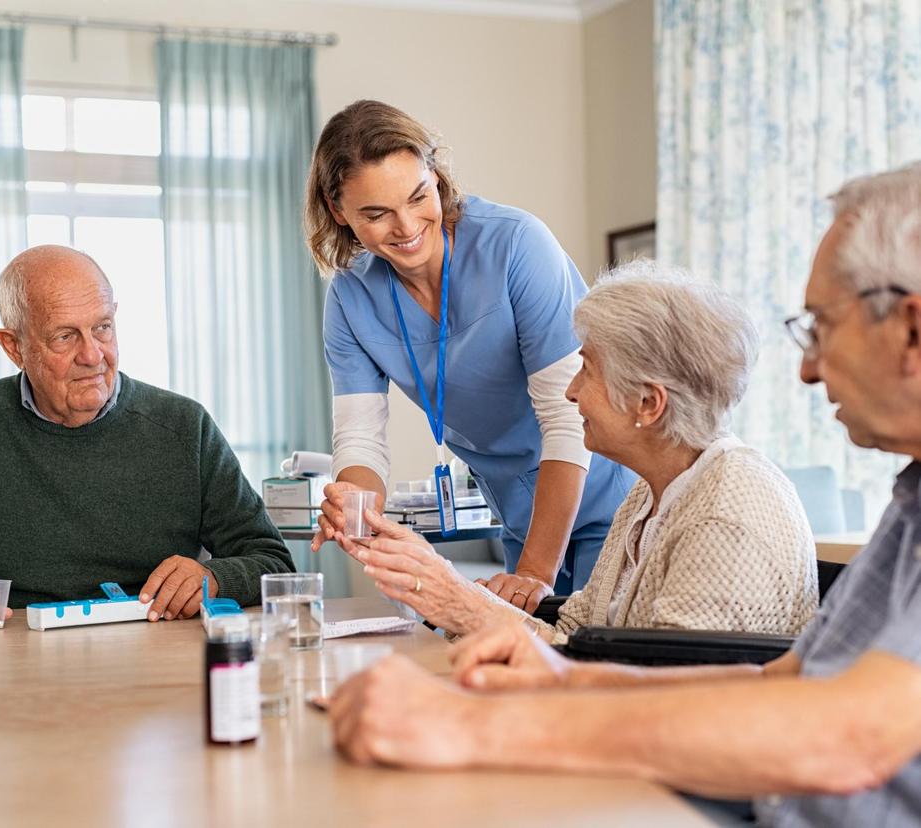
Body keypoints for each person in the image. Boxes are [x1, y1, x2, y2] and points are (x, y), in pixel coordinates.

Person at [330, 164, 921, 826]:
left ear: (911, 330)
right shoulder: (903, 505)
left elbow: (845, 734)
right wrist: (563, 678)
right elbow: (783, 679)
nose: (808, 367)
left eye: (818, 326)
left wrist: (472, 725)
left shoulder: (733, 502)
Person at [337, 263, 818, 639]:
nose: (571, 392)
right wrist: (448, 593)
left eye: (586, 370)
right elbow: (574, 636)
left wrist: (461, 600)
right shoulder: (652, 497)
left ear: (647, 403)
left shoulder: (723, 517)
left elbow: (660, 698)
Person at [306, 99, 636, 606]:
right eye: (376, 214)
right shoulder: (351, 298)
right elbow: (360, 441)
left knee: (596, 664)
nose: (407, 225)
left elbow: (567, 420)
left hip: (609, 495)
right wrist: (354, 502)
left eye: (419, 196)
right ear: (338, 212)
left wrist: (534, 575)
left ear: (436, 176)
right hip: (520, 514)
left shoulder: (517, 246)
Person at [0, 245, 293, 630]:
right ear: (13, 346)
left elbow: (272, 562)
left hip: (151, 652)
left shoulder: (184, 426)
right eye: (65, 336)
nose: (92, 355)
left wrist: (215, 578)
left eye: (102, 328)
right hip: (6, 656)